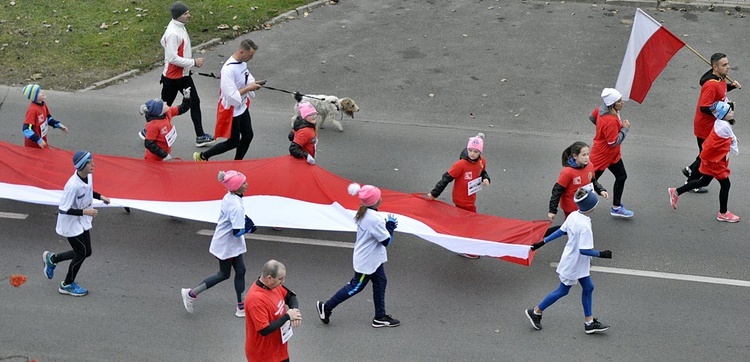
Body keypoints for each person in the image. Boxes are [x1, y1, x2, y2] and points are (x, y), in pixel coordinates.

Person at [524, 188, 612, 334]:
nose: (596, 206)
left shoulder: (573, 215)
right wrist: (602, 254)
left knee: (588, 287)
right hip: (574, 263)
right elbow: (584, 250)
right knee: (563, 290)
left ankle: (589, 322)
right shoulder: (585, 226)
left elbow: (561, 231)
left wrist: (543, 242)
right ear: (590, 206)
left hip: (576, 261)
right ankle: (536, 311)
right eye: (595, 203)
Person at [316, 183, 400, 328]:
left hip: (373, 259)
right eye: (379, 197)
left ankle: (380, 317)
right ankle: (327, 307)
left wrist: (386, 227)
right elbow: (387, 241)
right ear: (375, 201)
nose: (381, 198)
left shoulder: (365, 213)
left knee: (381, 283)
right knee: (356, 286)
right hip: (367, 262)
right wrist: (390, 227)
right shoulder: (375, 219)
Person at [181, 170, 257, 317]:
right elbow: (237, 231)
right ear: (236, 187)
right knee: (224, 274)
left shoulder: (230, 196)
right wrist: (248, 229)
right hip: (227, 246)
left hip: (229, 244)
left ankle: (241, 307)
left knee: (240, 271)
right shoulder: (236, 205)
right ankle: (191, 293)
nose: (247, 184)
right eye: (243, 183)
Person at [42, 150, 110, 297]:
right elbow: (63, 209)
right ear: (81, 165)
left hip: (82, 221)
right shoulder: (72, 186)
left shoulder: (87, 176)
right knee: (82, 252)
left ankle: (53, 259)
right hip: (71, 225)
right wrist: (85, 212)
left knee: (87, 251)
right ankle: (67, 284)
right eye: (90, 162)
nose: (93, 164)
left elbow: (88, 191)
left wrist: (100, 196)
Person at [147, 1, 214, 147]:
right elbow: (172, 58)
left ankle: (200, 135)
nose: (189, 15)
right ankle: (149, 132)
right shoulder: (173, 32)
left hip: (182, 75)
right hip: (173, 77)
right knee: (163, 107)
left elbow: (162, 41)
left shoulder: (177, 27)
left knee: (194, 102)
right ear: (178, 16)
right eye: (185, 14)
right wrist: (193, 62)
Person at [669, 101, 739, 222]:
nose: (732, 112)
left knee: (704, 182)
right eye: (730, 111)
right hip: (715, 162)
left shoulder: (720, 122)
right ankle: (723, 213)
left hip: (711, 159)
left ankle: (676, 191)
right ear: (723, 114)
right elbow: (730, 139)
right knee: (725, 184)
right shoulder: (724, 126)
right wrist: (734, 140)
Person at [194, 39, 263, 162]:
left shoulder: (242, 63)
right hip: (232, 110)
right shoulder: (228, 70)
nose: (251, 58)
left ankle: (237, 163)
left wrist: (253, 84)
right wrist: (248, 88)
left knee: (248, 135)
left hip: (241, 106)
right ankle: (203, 156)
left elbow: (246, 77)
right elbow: (230, 96)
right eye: (250, 55)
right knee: (233, 142)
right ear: (242, 52)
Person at [682, 53, 741, 193]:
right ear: (715, 67)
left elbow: (721, 90)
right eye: (724, 65)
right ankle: (691, 180)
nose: (728, 67)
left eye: (728, 64)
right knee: (706, 155)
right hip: (705, 126)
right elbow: (704, 106)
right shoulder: (710, 85)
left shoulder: (720, 79)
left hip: (711, 125)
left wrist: (731, 86)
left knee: (705, 153)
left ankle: (690, 171)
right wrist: (724, 112)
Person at [426, 132, 490, 258]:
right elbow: (446, 179)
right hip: (461, 200)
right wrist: (434, 194)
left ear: (480, 153)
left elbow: (482, 172)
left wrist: (486, 178)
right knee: (471, 223)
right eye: (470, 150)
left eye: (475, 151)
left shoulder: (482, 161)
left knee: (465, 222)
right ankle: (464, 248)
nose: (472, 154)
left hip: (471, 198)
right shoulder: (460, 165)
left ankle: (453, 235)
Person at [546, 141, 608, 235]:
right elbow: (557, 191)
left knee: (573, 227)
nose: (587, 157)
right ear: (575, 156)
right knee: (571, 228)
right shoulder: (567, 172)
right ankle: (544, 234)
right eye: (583, 155)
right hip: (570, 207)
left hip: (583, 205)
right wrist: (552, 210)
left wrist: (600, 190)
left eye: (588, 154)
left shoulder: (590, 166)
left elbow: (593, 181)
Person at [589, 88, 633, 218]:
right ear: (612, 104)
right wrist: (624, 129)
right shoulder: (610, 121)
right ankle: (573, 201)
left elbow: (592, 117)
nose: (622, 103)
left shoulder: (601, 110)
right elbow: (612, 142)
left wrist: (601, 130)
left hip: (612, 155)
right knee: (589, 183)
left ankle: (616, 207)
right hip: (602, 156)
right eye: (619, 101)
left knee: (621, 176)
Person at [245, 260, 301, 362]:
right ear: (269, 278)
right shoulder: (256, 299)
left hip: (279, 350)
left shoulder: (274, 286)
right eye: (280, 279)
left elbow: (291, 297)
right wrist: (288, 316)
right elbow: (264, 330)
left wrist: (294, 311)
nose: (283, 282)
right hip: (263, 355)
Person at [140, 88, 191, 161]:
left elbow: (182, 108)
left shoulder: (168, 112)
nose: (166, 102)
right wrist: (164, 155)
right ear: (159, 111)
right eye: (163, 104)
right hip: (153, 159)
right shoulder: (152, 125)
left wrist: (186, 98)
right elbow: (149, 144)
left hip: (164, 153)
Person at [21, 84, 68, 148]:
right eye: (39, 92)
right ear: (34, 97)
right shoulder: (32, 110)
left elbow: (48, 118)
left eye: (41, 89)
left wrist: (58, 125)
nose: (42, 92)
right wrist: (38, 140)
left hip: (43, 142)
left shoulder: (43, 104)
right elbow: (26, 129)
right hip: (34, 146)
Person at [288, 101, 318, 165]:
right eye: (310, 114)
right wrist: (306, 156)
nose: (314, 116)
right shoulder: (305, 131)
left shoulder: (308, 125)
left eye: (315, 113)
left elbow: (291, 136)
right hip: (302, 163)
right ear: (304, 116)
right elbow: (293, 148)